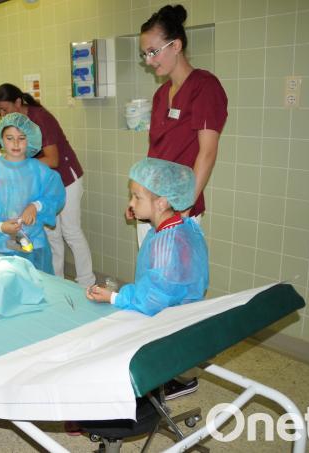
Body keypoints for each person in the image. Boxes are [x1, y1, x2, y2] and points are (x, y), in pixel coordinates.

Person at [90, 157, 209, 401]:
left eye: (137, 197)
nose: (131, 203)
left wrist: (114, 296)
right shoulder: (183, 227)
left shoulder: (165, 244)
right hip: (182, 313)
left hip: (166, 324)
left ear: (162, 202)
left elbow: (153, 299)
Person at [133, 4, 228, 246]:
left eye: (153, 51)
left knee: (177, 280)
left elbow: (207, 153)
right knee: (149, 276)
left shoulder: (205, 87)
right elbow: (154, 155)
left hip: (178, 209)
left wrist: (184, 206)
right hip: (151, 206)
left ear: (176, 45)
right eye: (145, 54)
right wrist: (138, 198)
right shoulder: (160, 94)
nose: (149, 60)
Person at [0, 83, 95, 287]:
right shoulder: (16, 122)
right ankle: (57, 281)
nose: (3, 114)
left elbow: (53, 160)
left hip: (66, 179)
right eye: (0, 110)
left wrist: (18, 162)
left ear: (18, 102)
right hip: (45, 183)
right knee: (51, 234)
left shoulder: (40, 119)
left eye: (5, 109)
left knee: (71, 231)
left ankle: (87, 282)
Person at [0, 113, 65, 274]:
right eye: (9, 138)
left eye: (21, 138)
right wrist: (1, 226)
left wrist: (35, 206)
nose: (15, 143)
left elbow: (55, 196)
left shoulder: (39, 170)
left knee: (39, 289)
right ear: (1, 139)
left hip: (35, 245)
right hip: (2, 247)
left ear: (30, 139)